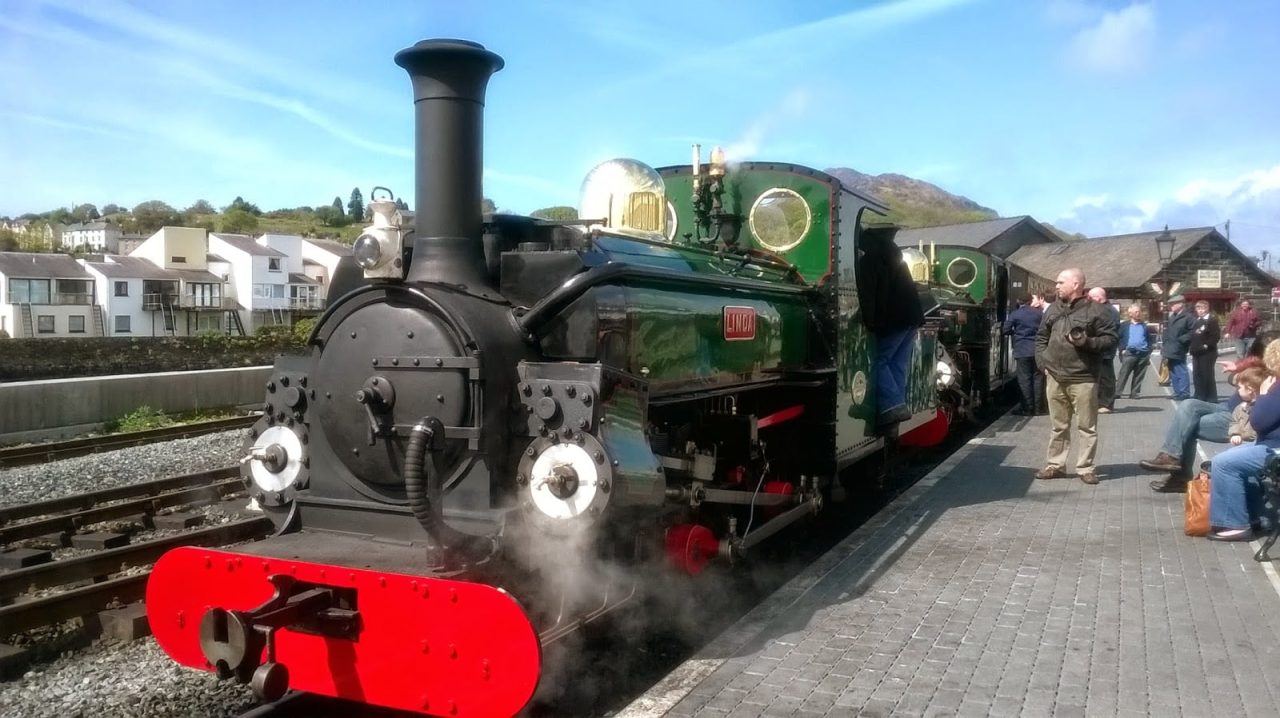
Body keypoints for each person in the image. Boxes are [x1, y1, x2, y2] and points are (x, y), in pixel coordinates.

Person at [1140, 330, 1280, 492]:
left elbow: (1244, 385)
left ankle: (1179, 476)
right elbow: (1233, 378)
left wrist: (1242, 375)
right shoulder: (1257, 364)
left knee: (1187, 426)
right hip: (1227, 407)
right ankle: (1170, 456)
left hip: (1238, 417)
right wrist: (1239, 369)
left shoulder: (1270, 376)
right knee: (1188, 404)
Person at [1034, 268, 1118, 485]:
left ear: (1076, 284)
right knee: (1058, 426)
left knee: (1087, 427)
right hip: (1055, 376)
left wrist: (1087, 342)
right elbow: (1041, 337)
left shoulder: (1098, 311)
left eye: (1061, 282)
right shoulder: (1052, 309)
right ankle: (1056, 465)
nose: (1056, 286)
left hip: (1083, 378)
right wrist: (1042, 363)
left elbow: (1110, 340)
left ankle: (1085, 468)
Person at [1205, 341, 1280, 541]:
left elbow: (1259, 422)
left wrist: (1263, 394)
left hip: (1275, 449)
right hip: (1270, 445)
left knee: (1223, 464)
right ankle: (1257, 516)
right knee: (1231, 457)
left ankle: (1236, 524)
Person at [857, 225, 925, 430]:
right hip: (912, 317)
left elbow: (868, 295)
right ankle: (895, 408)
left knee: (880, 361)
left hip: (894, 319)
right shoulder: (897, 258)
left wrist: (870, 323)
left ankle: (893, 405)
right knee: (898, 364)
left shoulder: (869, 260)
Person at [1003, 294, 1044, 415]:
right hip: (1038, 350)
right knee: (1038, 379)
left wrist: (1016, 332)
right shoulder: (1039, 313)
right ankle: (1038, 408)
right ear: (1031, 301)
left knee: (1024, 379)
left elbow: (1006, 330)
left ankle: (1027, 407)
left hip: (1022, 350)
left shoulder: (1015, 314)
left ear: (1018, 301)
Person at [1087, 287, 1121, 413]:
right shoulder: (1106, 309)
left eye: (1091, 297)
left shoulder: (1107, 310)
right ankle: (1101, 402)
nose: (1088, 300)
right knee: (1100, 376)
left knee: (1106, 376)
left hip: (1104, 348)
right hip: (1101, 346)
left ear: (1099, 298)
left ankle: (1106, 404)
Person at [1115, 304, 1155, 399]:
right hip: (1129, 353)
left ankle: (1134, 393)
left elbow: (1149, 338)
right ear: (1130, 314)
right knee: (1123, 374)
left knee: (1139, 374)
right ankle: (1117, 392)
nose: (1138, 313)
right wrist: (1122, 349)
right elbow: (1118, 338)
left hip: (1143, 353)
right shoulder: (1124, 325)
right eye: (1136, 312)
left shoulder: (1144, 325)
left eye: (1139, 311)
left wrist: (1149, 349)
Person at [1161, 295, 1194, 401]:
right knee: (1173, 371)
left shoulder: (1188, 317)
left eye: (1173, 304)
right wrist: (1164, 342)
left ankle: (1184, 393)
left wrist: (1182, 339)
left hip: (1179, 347)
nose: (1171, 306)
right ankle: (1177, 392)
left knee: (1181, 370)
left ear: (1181, 304)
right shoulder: (1173, 316)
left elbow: (1193, 332)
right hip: (1170, 347)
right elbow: (1168, 331)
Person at [1188, 300, 1220, 403]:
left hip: (1207, 353)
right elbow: (1194, 335)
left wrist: (1207, 345)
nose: (1200, 311)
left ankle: (1211, 397)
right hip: (1196, 352)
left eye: (1202, 308)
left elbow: (1215, 336)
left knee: (1207, 375)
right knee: (1197, 374)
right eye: (1198, 308)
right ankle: (1199, 394)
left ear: (1207, 309)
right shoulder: (1197, 321)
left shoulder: (1211, 320)